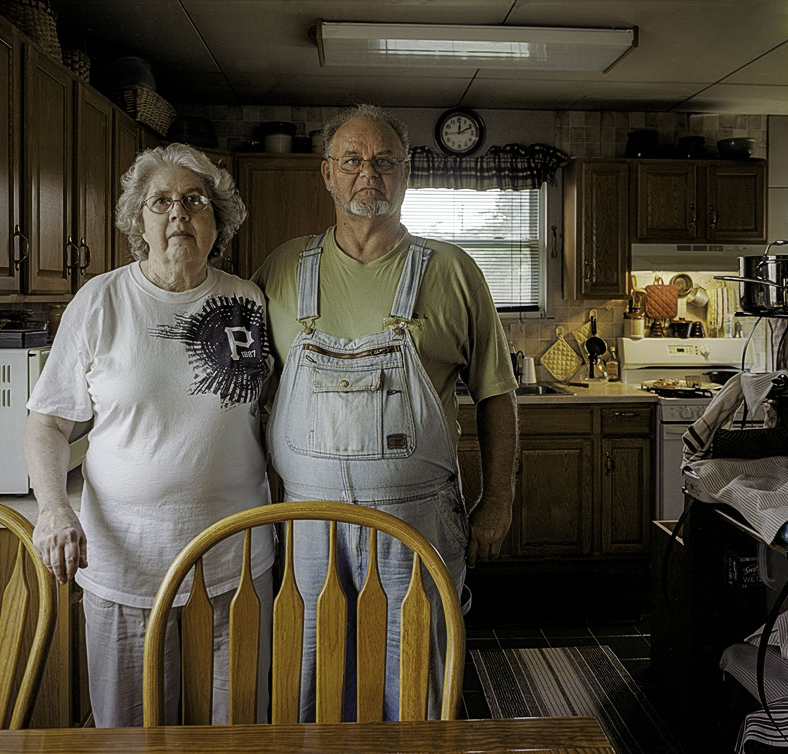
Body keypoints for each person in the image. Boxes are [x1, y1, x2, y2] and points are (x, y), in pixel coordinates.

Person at [252, 103, 518, 721]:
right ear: (327, 174)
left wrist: (499, 499)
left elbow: (497, 396)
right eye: (351, 160)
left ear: (407, 173)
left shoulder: (453, 271)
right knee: (312, 684)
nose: (367, 173)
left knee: (415, 682)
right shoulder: (283, 268)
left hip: (417, 523)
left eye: (384, 161)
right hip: (308, 523)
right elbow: (246, 393)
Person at [25, 144, 274, 727]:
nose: (178, 213)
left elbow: (271, 412)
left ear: (218, 219)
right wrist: (54, 508)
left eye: (194, 200)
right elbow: (48, 422)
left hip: (236, 562)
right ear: (139, 220)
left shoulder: (248, 301)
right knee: (127, 730)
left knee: (239, 727)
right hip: (126, 564)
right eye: (161, 201)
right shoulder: (100, 301)